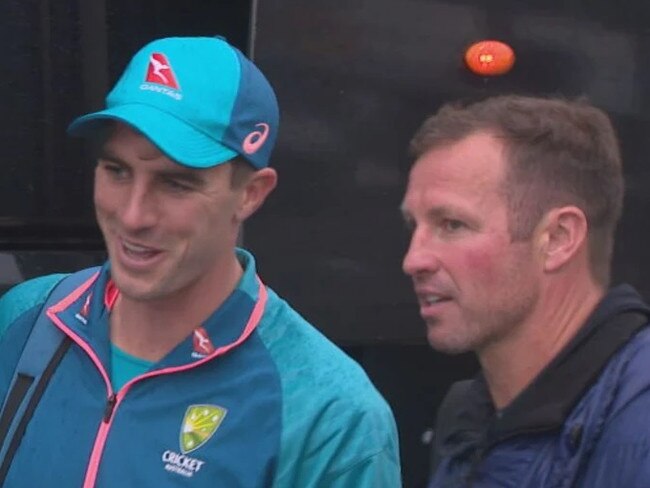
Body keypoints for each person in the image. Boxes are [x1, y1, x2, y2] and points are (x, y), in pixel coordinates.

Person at [0, 36, 401, 487]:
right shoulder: (28, 318)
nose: (133, 215)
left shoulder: (327, 414)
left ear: (251, 193)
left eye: (176, 184)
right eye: (117, 171)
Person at [400, 94, 650, 487]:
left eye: (451, 225)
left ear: (557, 238)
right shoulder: (470, 417)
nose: (414, 260)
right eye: (413, 226)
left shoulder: (636, 425)